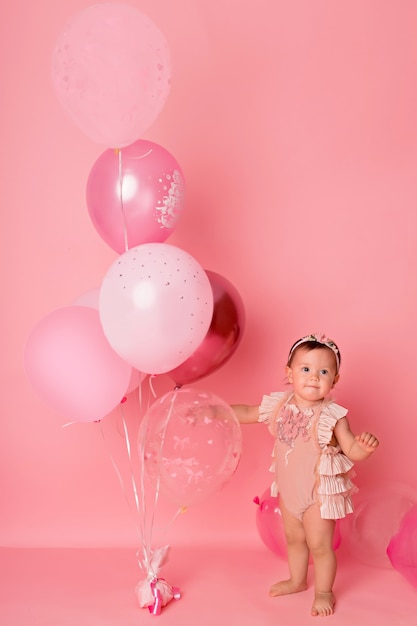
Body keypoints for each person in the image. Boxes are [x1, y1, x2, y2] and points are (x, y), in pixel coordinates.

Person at [231, 333, 379, 617]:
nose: (314, 377)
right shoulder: (279, 406)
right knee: (294, 538)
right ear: (289, 373)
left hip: (317, 494)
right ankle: (297, 580)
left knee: (320, 545)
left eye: (324, 371)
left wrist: (363, 448)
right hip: (289, 490)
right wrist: (221, 411)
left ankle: (324, 591)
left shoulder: (333, 415)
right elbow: (248, 411)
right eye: (306, 369)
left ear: (334, 380)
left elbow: (349, 448)